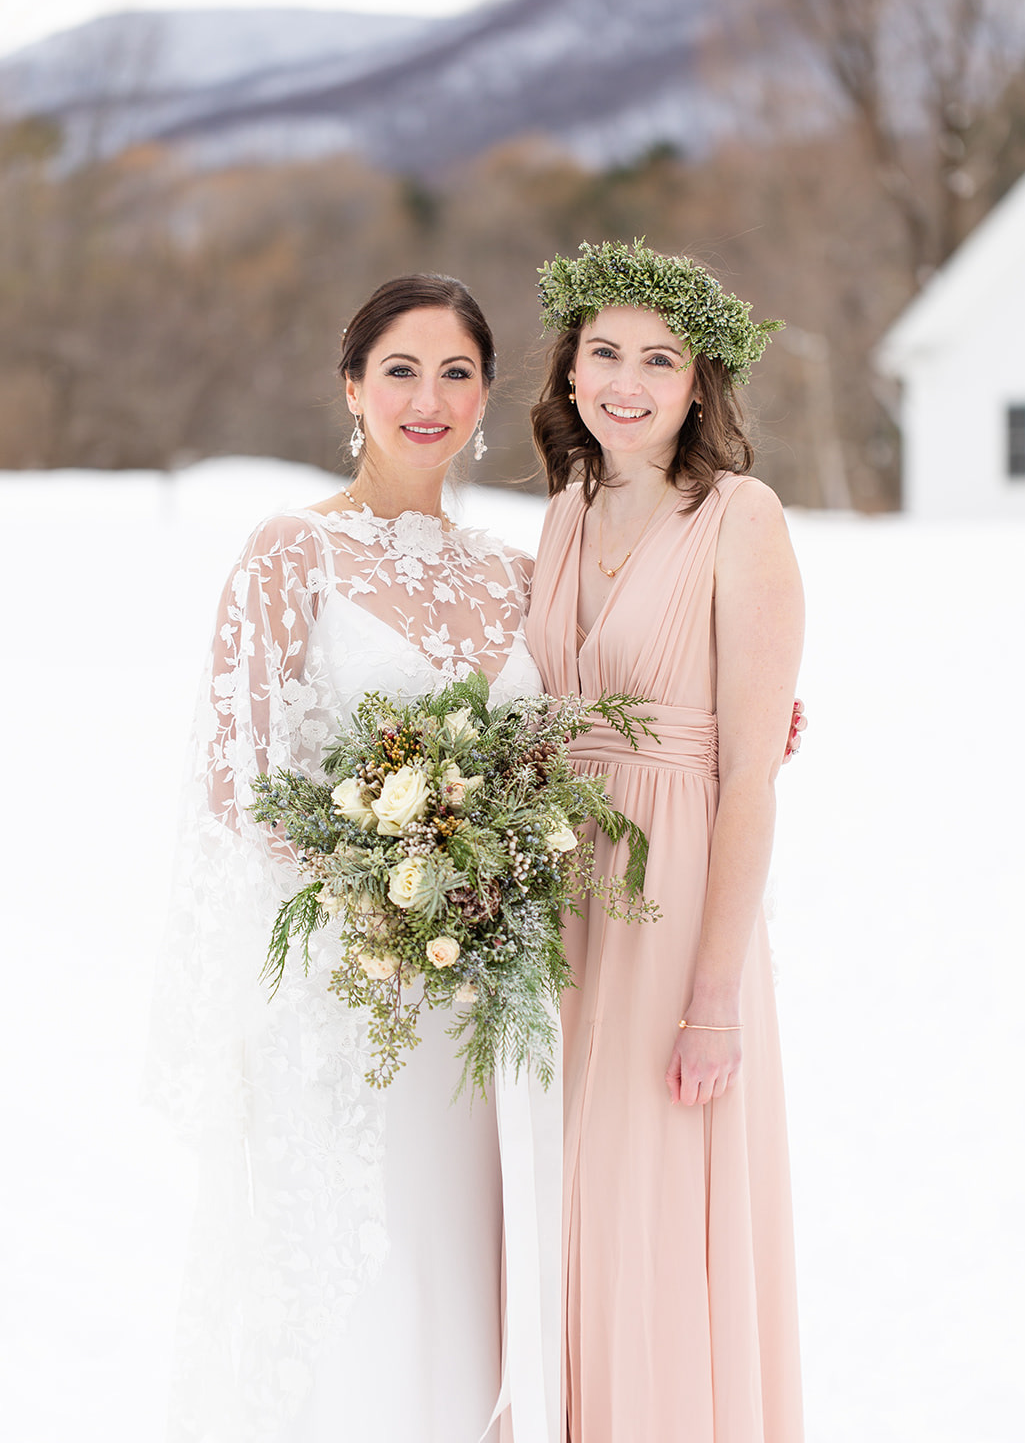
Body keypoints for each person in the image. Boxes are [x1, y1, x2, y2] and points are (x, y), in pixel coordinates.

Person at [147, 274, 560, 1443]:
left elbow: (580, 746)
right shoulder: (293, 554)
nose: (427, 399)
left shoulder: (519, 576)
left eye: (456, 372)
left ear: (485, 397)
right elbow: (237, 780)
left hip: (488, 1000)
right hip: (350, 990)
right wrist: (376, 865)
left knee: (473, 1274)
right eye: (399, 370)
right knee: (364, 1277)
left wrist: (743, 722)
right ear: (351, 386)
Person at [525, 240, 806, 1443]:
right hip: (556, 897)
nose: (625, 382)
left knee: (652, 1203)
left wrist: (713, 996)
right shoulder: (559, 515)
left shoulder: (741, 517)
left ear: (700, 385)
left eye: (658, 358)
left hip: (675, 899)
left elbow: (749, 777)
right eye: (604, 353)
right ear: (569, 369)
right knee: (566, 1197)